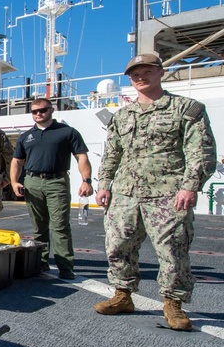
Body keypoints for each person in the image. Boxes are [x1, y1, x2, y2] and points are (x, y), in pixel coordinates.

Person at [93, 54, 217, 331]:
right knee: (117, 247)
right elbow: (112, 153)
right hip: (125, 193)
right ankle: (122, 295)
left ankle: (173, 303)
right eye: (135, 74)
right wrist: (104, 184)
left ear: (161, 73)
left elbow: (201, 151)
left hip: (168, 193)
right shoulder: (122, 116)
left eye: (147, 71)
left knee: (172, 251)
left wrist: (189, 185)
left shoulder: (186, 109)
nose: (140, 77)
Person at [10, 98, 93, 280]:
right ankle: (41, 262)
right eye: (35, 112)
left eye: (43, 110)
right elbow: (17, 161)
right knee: (39, 227)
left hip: (57, 182)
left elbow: (81, 157)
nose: (39, 114)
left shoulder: (67, 132)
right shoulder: (26, 136)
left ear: (51, 110)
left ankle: (66, 266)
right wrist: (15, 182)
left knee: (60, 226)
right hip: (32, 182)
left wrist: (86, 181)